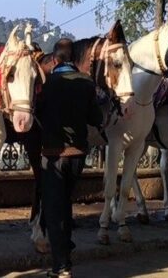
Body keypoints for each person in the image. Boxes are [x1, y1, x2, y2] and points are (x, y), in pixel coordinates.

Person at [36, 49, 103, 277]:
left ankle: (61, 266)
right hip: (78, 156)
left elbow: (36, 114)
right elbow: (96, 119)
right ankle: (67, 248)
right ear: (72, 61)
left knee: (55, 211)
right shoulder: (86, 83)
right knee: (65, 203)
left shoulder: (47, 84)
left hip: (53, 155)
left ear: (55, 60)